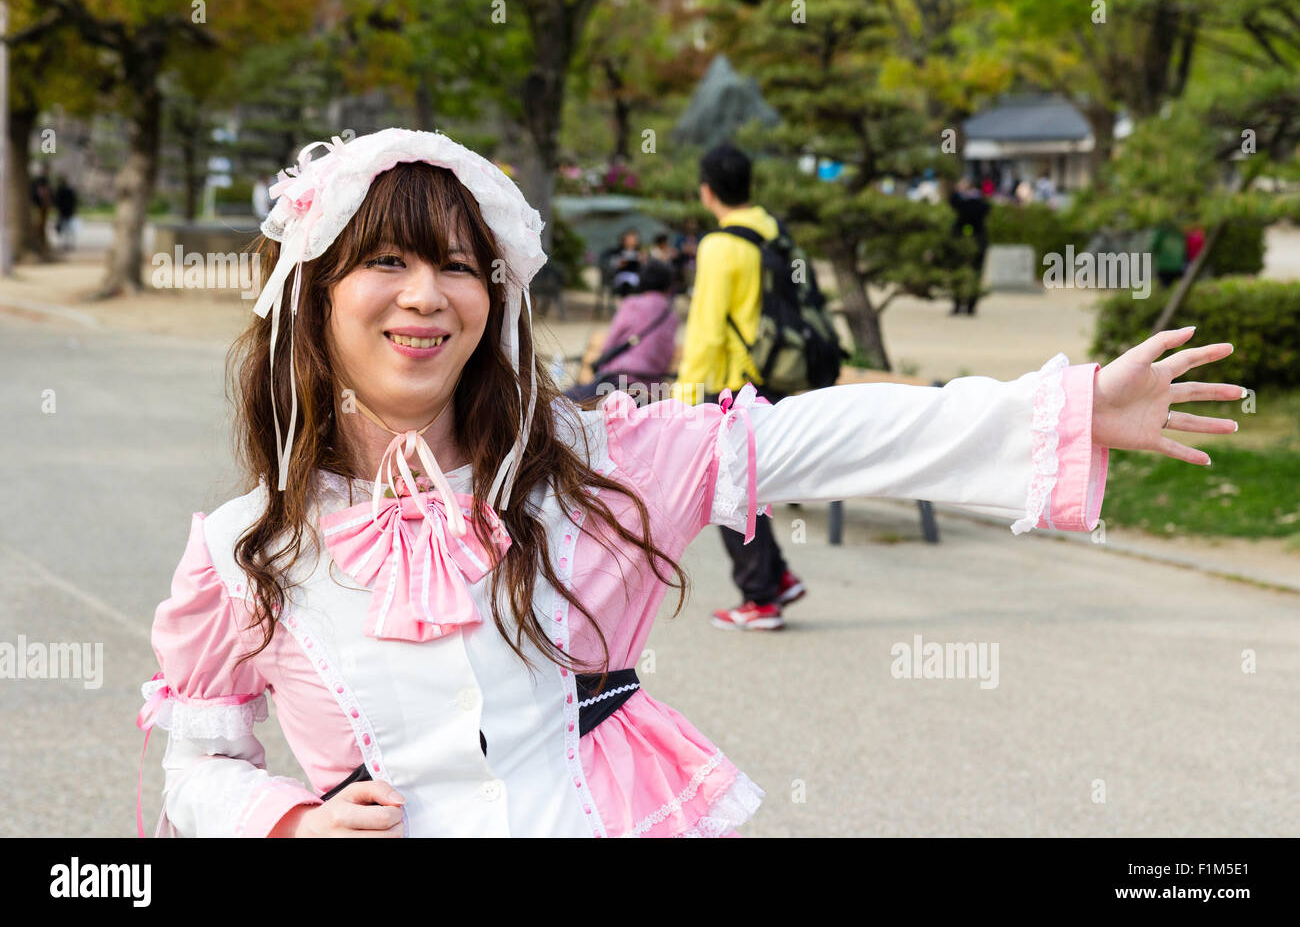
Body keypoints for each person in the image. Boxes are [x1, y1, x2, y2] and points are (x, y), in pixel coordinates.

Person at [134, 127, 1242, 838]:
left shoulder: (591, 466)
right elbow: (202, 753)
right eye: (386, 260)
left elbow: (820, 438)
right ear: (313, 296)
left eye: (459, 264)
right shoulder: (245, 549)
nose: (426, 295)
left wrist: (1056, 407)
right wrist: (279, 821)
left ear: (495, 295)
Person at [671, 143, 807, 632]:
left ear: (707, 191)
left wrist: (684, 401)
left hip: (732, 385)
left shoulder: (719, 245)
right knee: (748, 486)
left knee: (726, 490)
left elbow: (706, 331)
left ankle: (760, 598)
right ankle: (780, 577)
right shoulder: (774, 230)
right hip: (775, 375)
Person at [565, 257, 678, 405]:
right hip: (652, 388)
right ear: (668, 286)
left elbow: (609, 344)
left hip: (617, 384)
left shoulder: (631, 304)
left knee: (562, 400)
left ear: (642, 281)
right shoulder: (671, 316)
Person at [949, 177, 990, 316]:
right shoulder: (971, 201)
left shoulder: (973, 202)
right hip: (965, 240)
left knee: (972, 273)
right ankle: (963, 304)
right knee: (962, 273)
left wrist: (965, 195)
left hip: (972, 239)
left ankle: (965, 304)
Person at [53, 177, 79, 251]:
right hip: (69, 212)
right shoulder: (70, 191)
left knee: (63, 229)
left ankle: (64, 244)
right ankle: (69, 243)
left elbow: (56, 202)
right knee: (69, 229)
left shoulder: (60, 191)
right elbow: (74, 201)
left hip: (62, 212)